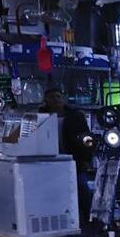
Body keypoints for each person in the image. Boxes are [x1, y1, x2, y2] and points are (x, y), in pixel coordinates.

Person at [42, 89, 94, 226]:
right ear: (46, 101)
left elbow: (87, 138)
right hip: (49, 161)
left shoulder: (75, 116)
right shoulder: (41, 116)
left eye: (58, 96)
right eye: (52, 97)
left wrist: (87, 158)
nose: (56, 100)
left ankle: (88, 219)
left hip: (74, 160)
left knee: (82, 188)